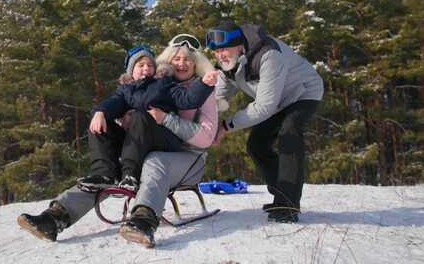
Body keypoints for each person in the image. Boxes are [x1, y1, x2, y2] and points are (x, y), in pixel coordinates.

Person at [17, 34, 218, 247]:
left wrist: (166, 118)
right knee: (108, 167)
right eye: (176, 59)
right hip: (144, 145)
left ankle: (143, 220)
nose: (182, 63)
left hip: (186, 158)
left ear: (196, 63)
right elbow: (121, 102)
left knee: (154, 161)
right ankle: (55, 217)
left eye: (187, 59)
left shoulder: (202, 91)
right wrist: (104, 114)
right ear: (166, 62)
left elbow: (205, 139)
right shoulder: (152, 84)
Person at [206, 20, 324, 223]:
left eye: (223, 49)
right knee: (257, 144)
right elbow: (220, 97)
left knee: (289, 132)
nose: (220, 55)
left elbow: (264, 107)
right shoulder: (228, 64)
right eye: (216, 51)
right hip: (277, 101)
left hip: (303, 93)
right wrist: (205, 121)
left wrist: (226, 126)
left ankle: (287, 204)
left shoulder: (269, 55)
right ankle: (281, 194)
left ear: (238, 43)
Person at [78, 42, 219, 192]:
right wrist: (100, 112)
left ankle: (130, 174)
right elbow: (113, 102)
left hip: (163, 138)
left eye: (150, 65)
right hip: (138, 140)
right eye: (141, 65)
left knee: (139, 117)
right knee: (100, 124)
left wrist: (204, 84)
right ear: (131, 71)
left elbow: (187, 99)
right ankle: (103, 174)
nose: (146, 68)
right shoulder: (126, 90)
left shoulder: (163, 84)